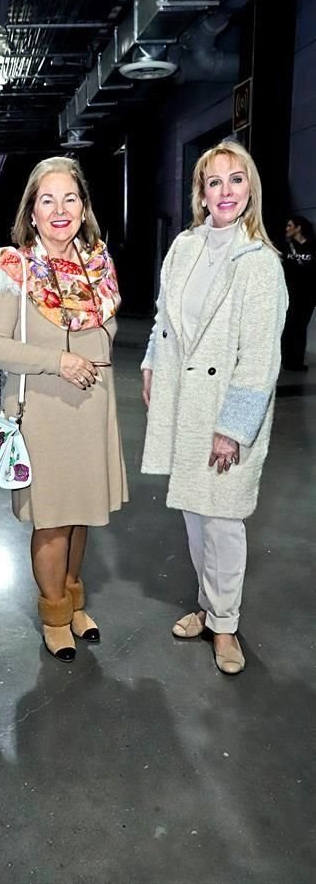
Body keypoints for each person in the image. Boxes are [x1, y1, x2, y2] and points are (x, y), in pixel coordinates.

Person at [140, 140, 288, 675]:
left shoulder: (261, 263)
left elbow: (261, 358)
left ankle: (225, 625)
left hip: (225, 411)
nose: (224, 191)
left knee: (224, 521)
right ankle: (208, 606)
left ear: (250, 190)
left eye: (235, 180)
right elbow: (163, 316)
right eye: (214, 182)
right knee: (194, 515)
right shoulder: (184, 246)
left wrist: (233, 429)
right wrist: (151, 365)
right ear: (201, 194)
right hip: (185, 403)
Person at [0, 156, 128, 663]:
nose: (60, 209)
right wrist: (56, 360)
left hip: (92, 410)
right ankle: (54, 614)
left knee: (81, 516)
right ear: (32, 212)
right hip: (42, 411)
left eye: (70, 198)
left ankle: (74, 599)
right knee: (53, 521)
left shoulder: (99, 264)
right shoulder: (9, 268)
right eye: (48, 200)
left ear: (84, 207)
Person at [280, 214, 316, 371]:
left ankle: (297, 361)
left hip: (308, 295)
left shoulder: (313, 246)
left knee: (301, 326)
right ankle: (286, 359)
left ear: (298, 227)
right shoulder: (285, 247)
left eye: (290, 226)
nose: (287, 229)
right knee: (288, 326)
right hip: (289, 293)